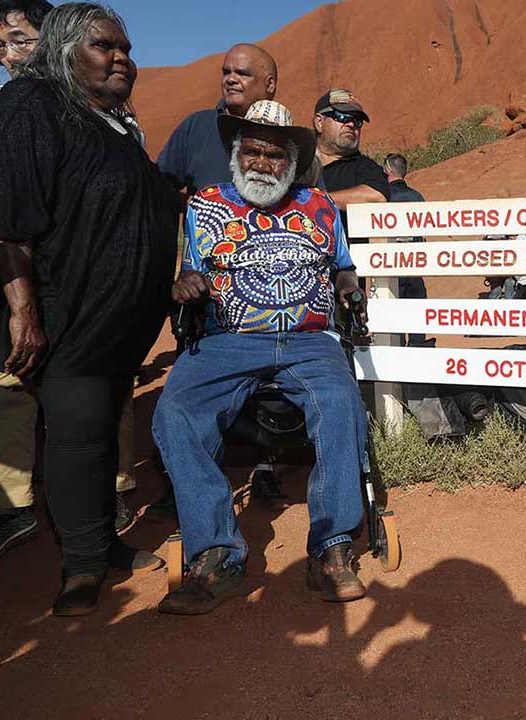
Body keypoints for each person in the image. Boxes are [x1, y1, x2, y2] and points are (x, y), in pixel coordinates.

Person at [0, 2, 178, 614]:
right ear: (63, 50)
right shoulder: (31, 108)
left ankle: (103, 544)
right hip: (70, 318)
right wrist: (23, 311)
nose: (122, 58)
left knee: (102, 432)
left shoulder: (107, 122)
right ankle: (81, 566)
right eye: (104, 46)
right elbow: (7, 222)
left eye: (125, 48)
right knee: (78, 437)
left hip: (116, 323)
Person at [154, 100, 368, 615]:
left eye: (275, 156)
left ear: (292, 162)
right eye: (252, 152)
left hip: (309, 340)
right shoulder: (205, 205)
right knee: (175, 412)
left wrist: (348, 286)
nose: (262, 164)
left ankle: (332, 548)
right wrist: (187, 283)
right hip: (227, 340)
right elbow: (192, 270)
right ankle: (217, 554)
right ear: (236, 152)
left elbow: (342, 265)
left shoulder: (318, 204)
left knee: (341, 404)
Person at [157, 43, 277, 195]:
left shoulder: (288, 137)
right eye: (226, 72)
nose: (231, 79)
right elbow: (158, 187)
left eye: (242, 74)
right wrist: (190, 205)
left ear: (269, 85)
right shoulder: (196, 127)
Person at [314, 88, 389, 223]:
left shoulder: (366, 167)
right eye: (342, 116)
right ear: (319, 122)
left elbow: (377, 196)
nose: (351, 124)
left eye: (357, 120)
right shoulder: (298, 162)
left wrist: (317, 201)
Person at [384, 152, 428, 346]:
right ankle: (417, 348)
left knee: (394, 309)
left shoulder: (383, 197)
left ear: (387, 170)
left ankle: (399, 350)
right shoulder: (417, 196)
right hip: (415, 263)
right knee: (417, 307)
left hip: (392, 264)